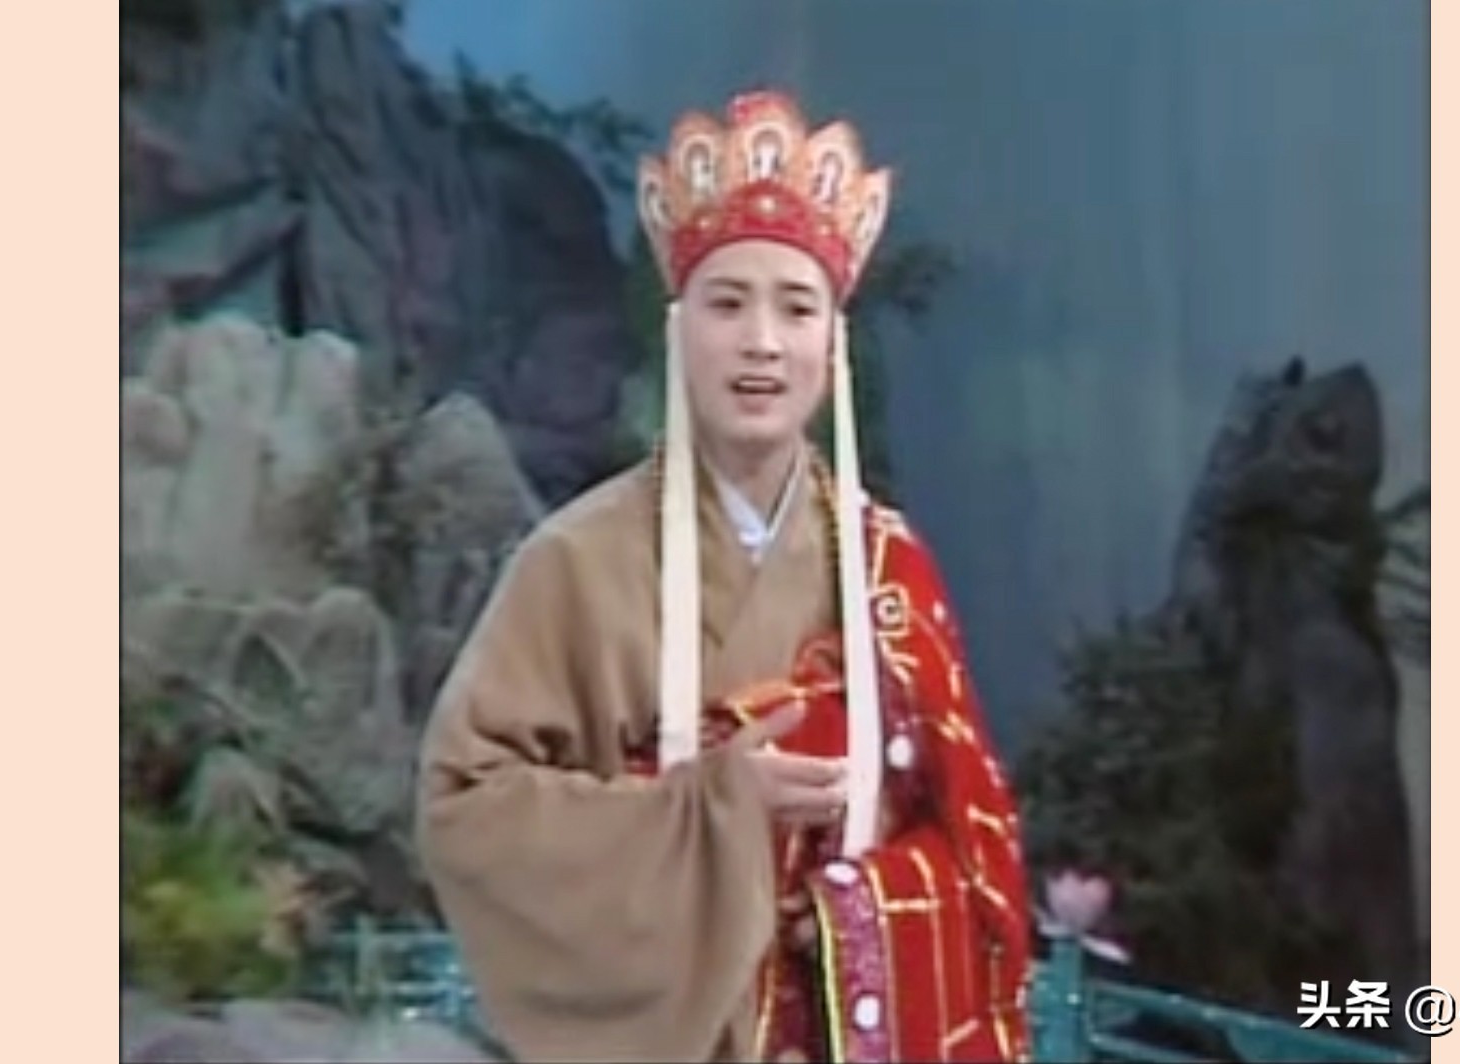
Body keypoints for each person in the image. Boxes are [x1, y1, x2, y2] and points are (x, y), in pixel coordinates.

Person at [415, 88, 1032, 1063]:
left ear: (832, 346)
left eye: (797, 308)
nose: (762, 342)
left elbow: (978, 848)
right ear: (678, 329)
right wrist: (709, 808)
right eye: (728, 303)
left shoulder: (890, 565)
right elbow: (465, 805)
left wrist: (856, 912)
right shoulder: (577, 560)